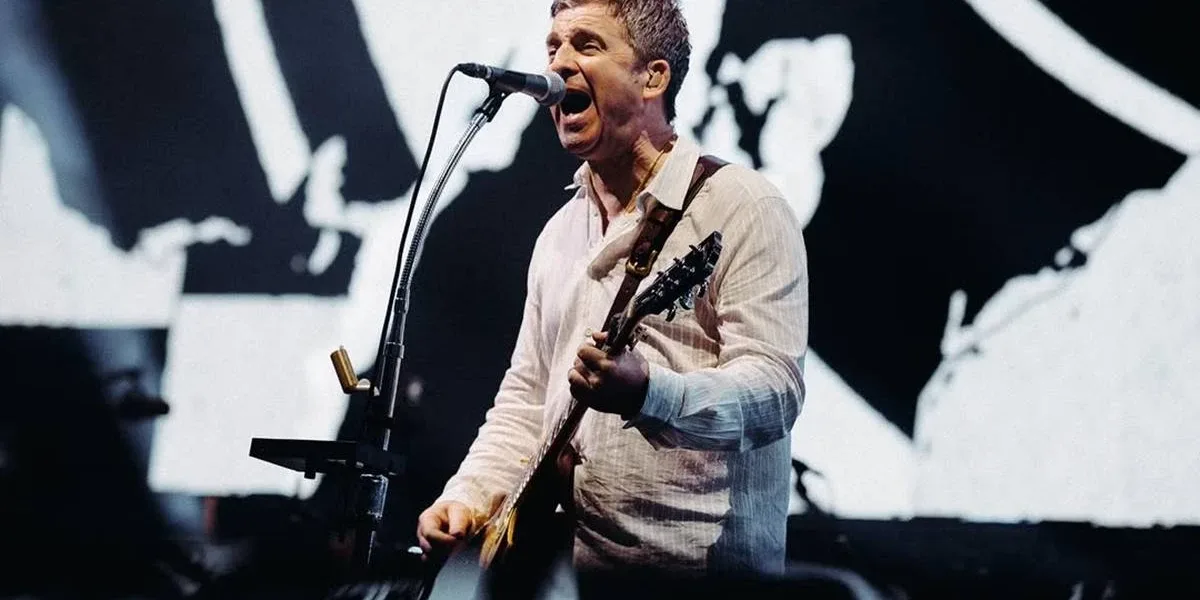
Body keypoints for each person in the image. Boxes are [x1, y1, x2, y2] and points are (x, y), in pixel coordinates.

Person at [417, 0, 808, 577]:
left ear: (653, 78)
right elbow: (528, 399)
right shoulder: (560, 232)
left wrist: (651, 391)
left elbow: (774, 391)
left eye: (586, 45)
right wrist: (469, 496)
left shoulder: (744, 206)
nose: (558, 66)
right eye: (553, 47)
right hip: (571, 578)